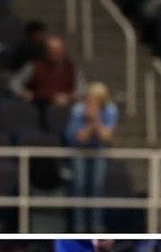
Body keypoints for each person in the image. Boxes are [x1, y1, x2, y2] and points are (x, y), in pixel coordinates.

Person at [65, 82, 118, 233]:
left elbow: (106, 137)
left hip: (99, 150)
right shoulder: (77, 110)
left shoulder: (110, 110)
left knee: (97, 187)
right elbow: (80, 137)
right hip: (79, 149)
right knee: (79, 186)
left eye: (94, 99)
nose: (90, 102)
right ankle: (79, 226)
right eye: (89, 98)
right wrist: (89, 123)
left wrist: (95, 120)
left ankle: (96, 226)